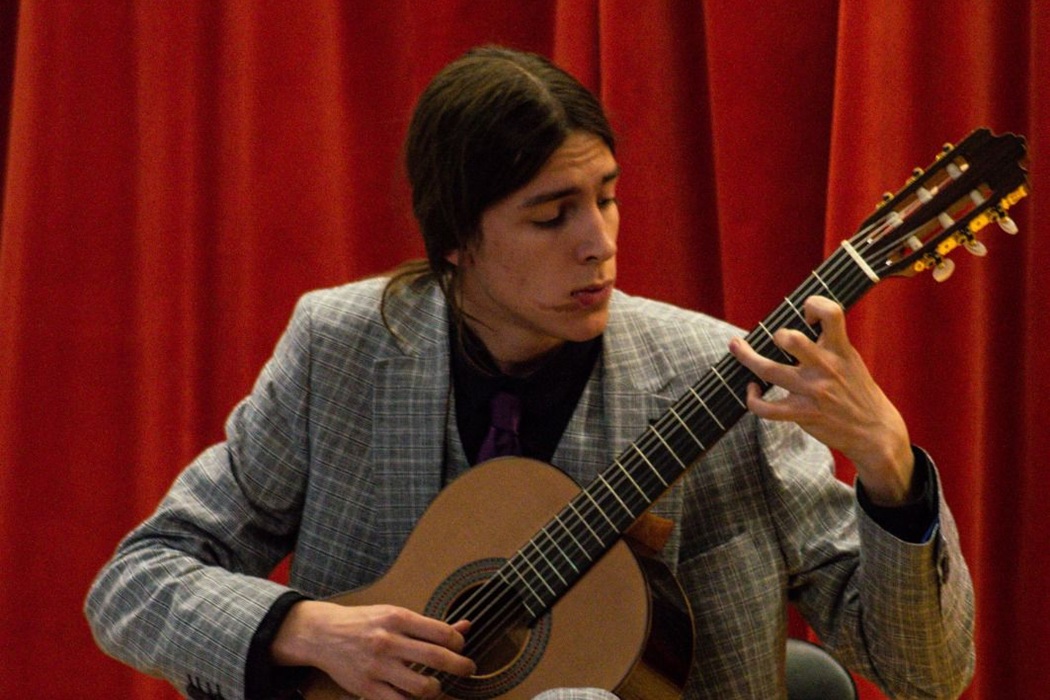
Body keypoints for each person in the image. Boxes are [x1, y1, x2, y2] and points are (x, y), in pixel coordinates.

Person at [85, 45, 974, 700]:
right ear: (456, 241)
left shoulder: (721, 375)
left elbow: (927, 673)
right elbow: (137, 582)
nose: (600, 243)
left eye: (607, 197)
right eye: (552, 216)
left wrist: (888, 465)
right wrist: (305, 628)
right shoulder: (340, 348)